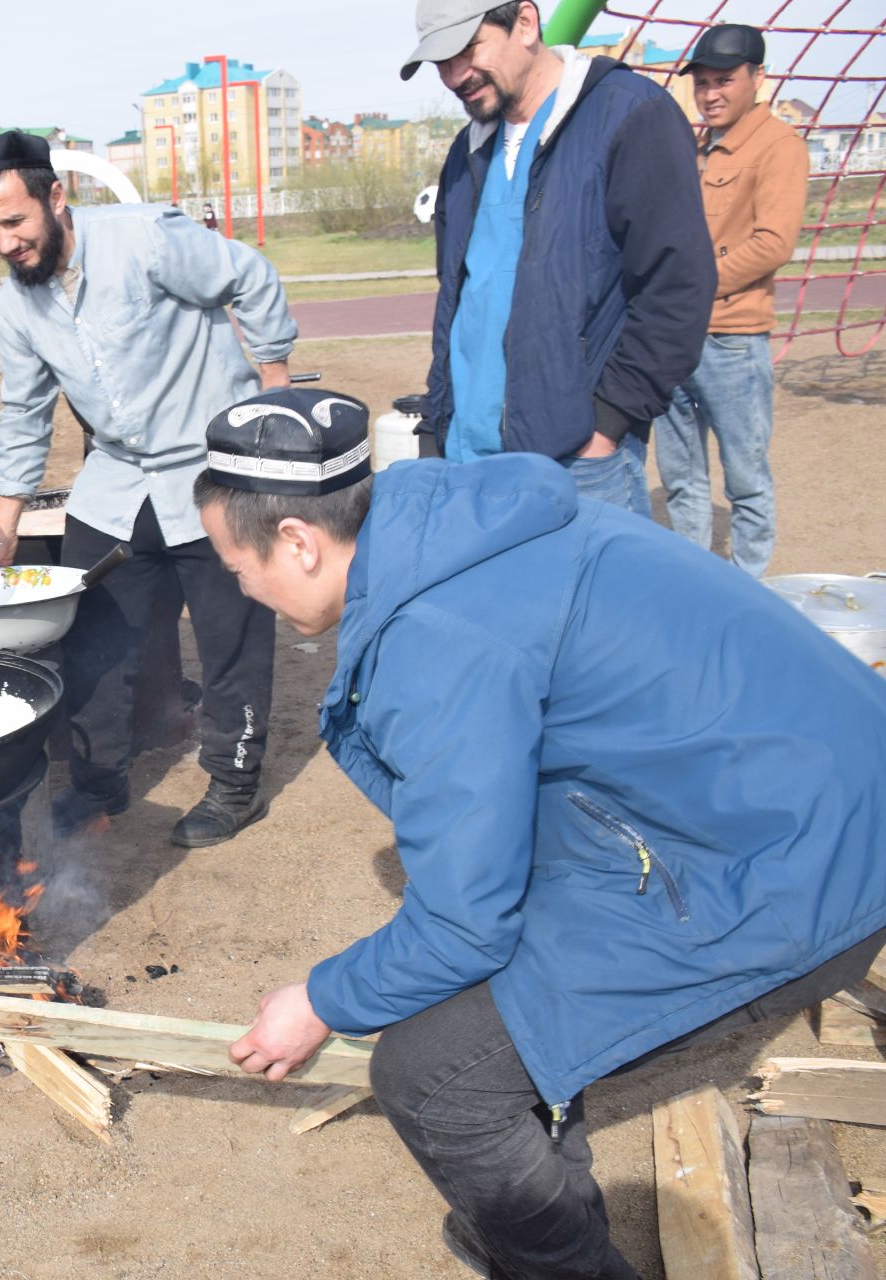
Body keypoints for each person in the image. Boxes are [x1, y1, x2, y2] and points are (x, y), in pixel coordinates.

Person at [196, 386, 886, 1280]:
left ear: (298, 540)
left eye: (234, 567)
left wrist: (318, 1001)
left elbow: (462, 924)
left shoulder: (439, 638)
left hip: (794, 859)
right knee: (508, 988)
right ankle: (528, 1215)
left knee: (433, 1075)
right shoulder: (449, 525)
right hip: (785, 800)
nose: (239, 589)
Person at [0, 130, 296, 848]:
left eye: (15, 222)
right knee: (91, 639)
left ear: (56, 198)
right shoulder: (16, 307)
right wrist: (6, 527)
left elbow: (252, 276)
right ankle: (96, 787)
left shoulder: (145, 238)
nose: (4, 244)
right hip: (115, 482)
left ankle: (234, 784)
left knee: (230, 636)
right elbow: (25, 411)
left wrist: (274, 395)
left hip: (213, 470)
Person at [406, 0, 715, 515]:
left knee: (587, 598)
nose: (455, 74)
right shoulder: (467, 151)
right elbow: (457, 301)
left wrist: (608, 423)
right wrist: (438, 420)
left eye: (466, 48)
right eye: (440, 62)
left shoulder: (629, 114)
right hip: (467, 458)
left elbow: (677, 283)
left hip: (577, 462)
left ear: (525, 23)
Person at [654, 24, 809, 577]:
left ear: (757, 78)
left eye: (724, 80)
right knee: (681, 475)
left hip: (733, 338)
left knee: (745, 478)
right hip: (675, 336)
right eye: (702, 83)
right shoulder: (697, 149)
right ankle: (698, 582)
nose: (710, 93)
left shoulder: (778, 146)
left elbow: (773, 243)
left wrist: (688, 287)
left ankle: (749, 589)